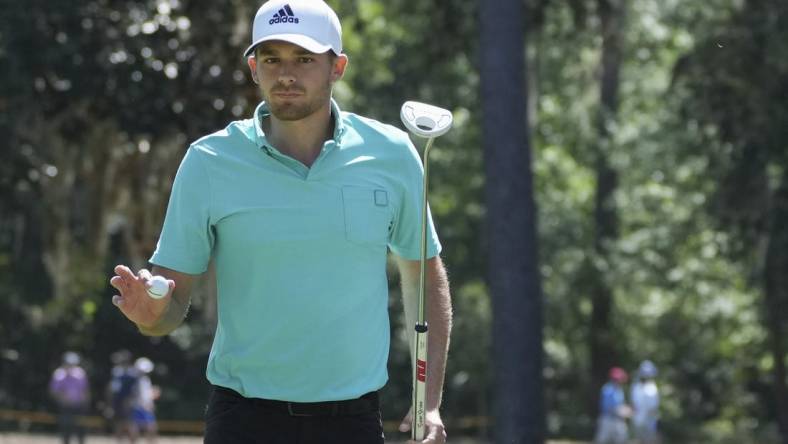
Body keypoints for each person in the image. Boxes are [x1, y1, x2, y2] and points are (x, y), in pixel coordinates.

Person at [108, 1, 453, 443]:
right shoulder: (210, 161)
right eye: (272, 58)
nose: (286, 74)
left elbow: (423, 275)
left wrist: (430, 401)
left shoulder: (393, 154)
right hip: (244, 420)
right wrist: (150, 317)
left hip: (352, 421)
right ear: (254, 67)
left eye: (305, 59)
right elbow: (169, 307)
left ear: (338, 67)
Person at [49, 351, 90, 444]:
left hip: (79, 406)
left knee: (81, 429)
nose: (70, 366)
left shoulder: (80, 373)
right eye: (68, 363)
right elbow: (53, 391)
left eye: (72, 364)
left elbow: (85, 390)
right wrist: (62, 399)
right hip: (65, 406)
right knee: (66, 428)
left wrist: (85, 403)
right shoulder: (59, 374)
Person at [106, 349, 139, 443]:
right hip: (119, 401)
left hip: (127, 401)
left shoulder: (131, 373)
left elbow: (133, 390)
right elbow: (112, 389)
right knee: (120, 424)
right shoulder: (117, 371)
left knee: (130, 424)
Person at [594, 366, 631, 444]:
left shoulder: (619, 390)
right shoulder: (608, 389)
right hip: (607, 420)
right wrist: (622, 411)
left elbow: (620, 404)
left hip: (618, 420)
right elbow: (607, 407)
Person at [131, 357, 160, 444]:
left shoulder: (144, 379)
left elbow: (145, 394)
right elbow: (140, 395)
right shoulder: (136, 379)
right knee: (146, 428)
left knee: (149, 429)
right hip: (140, 407)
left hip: (143, 406)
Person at [631, 360, 660, 444]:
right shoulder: (636, 387)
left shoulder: (652, 387)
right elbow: (634, 404)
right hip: (638, 421)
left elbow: (653, 408)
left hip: (649, 422)